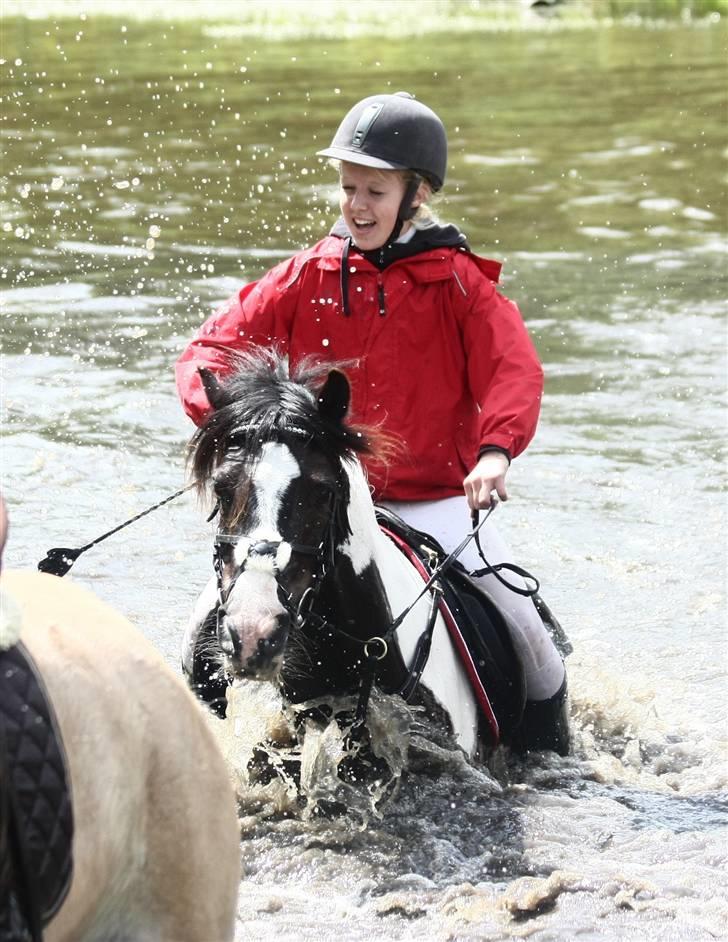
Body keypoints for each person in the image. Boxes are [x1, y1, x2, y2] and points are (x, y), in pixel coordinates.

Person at [175, 91, 569, 752]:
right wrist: (235, 422)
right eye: (348, 187)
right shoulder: (306, 274)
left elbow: (515, 370)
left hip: (435, 501)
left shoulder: (461, 285)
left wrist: (495, 451)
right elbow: (209, 350)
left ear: (417, 194)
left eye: (375, 192)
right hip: (315, 504)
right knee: (203, 627)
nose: (356, 206)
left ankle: (553, 771)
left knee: (530, 636)